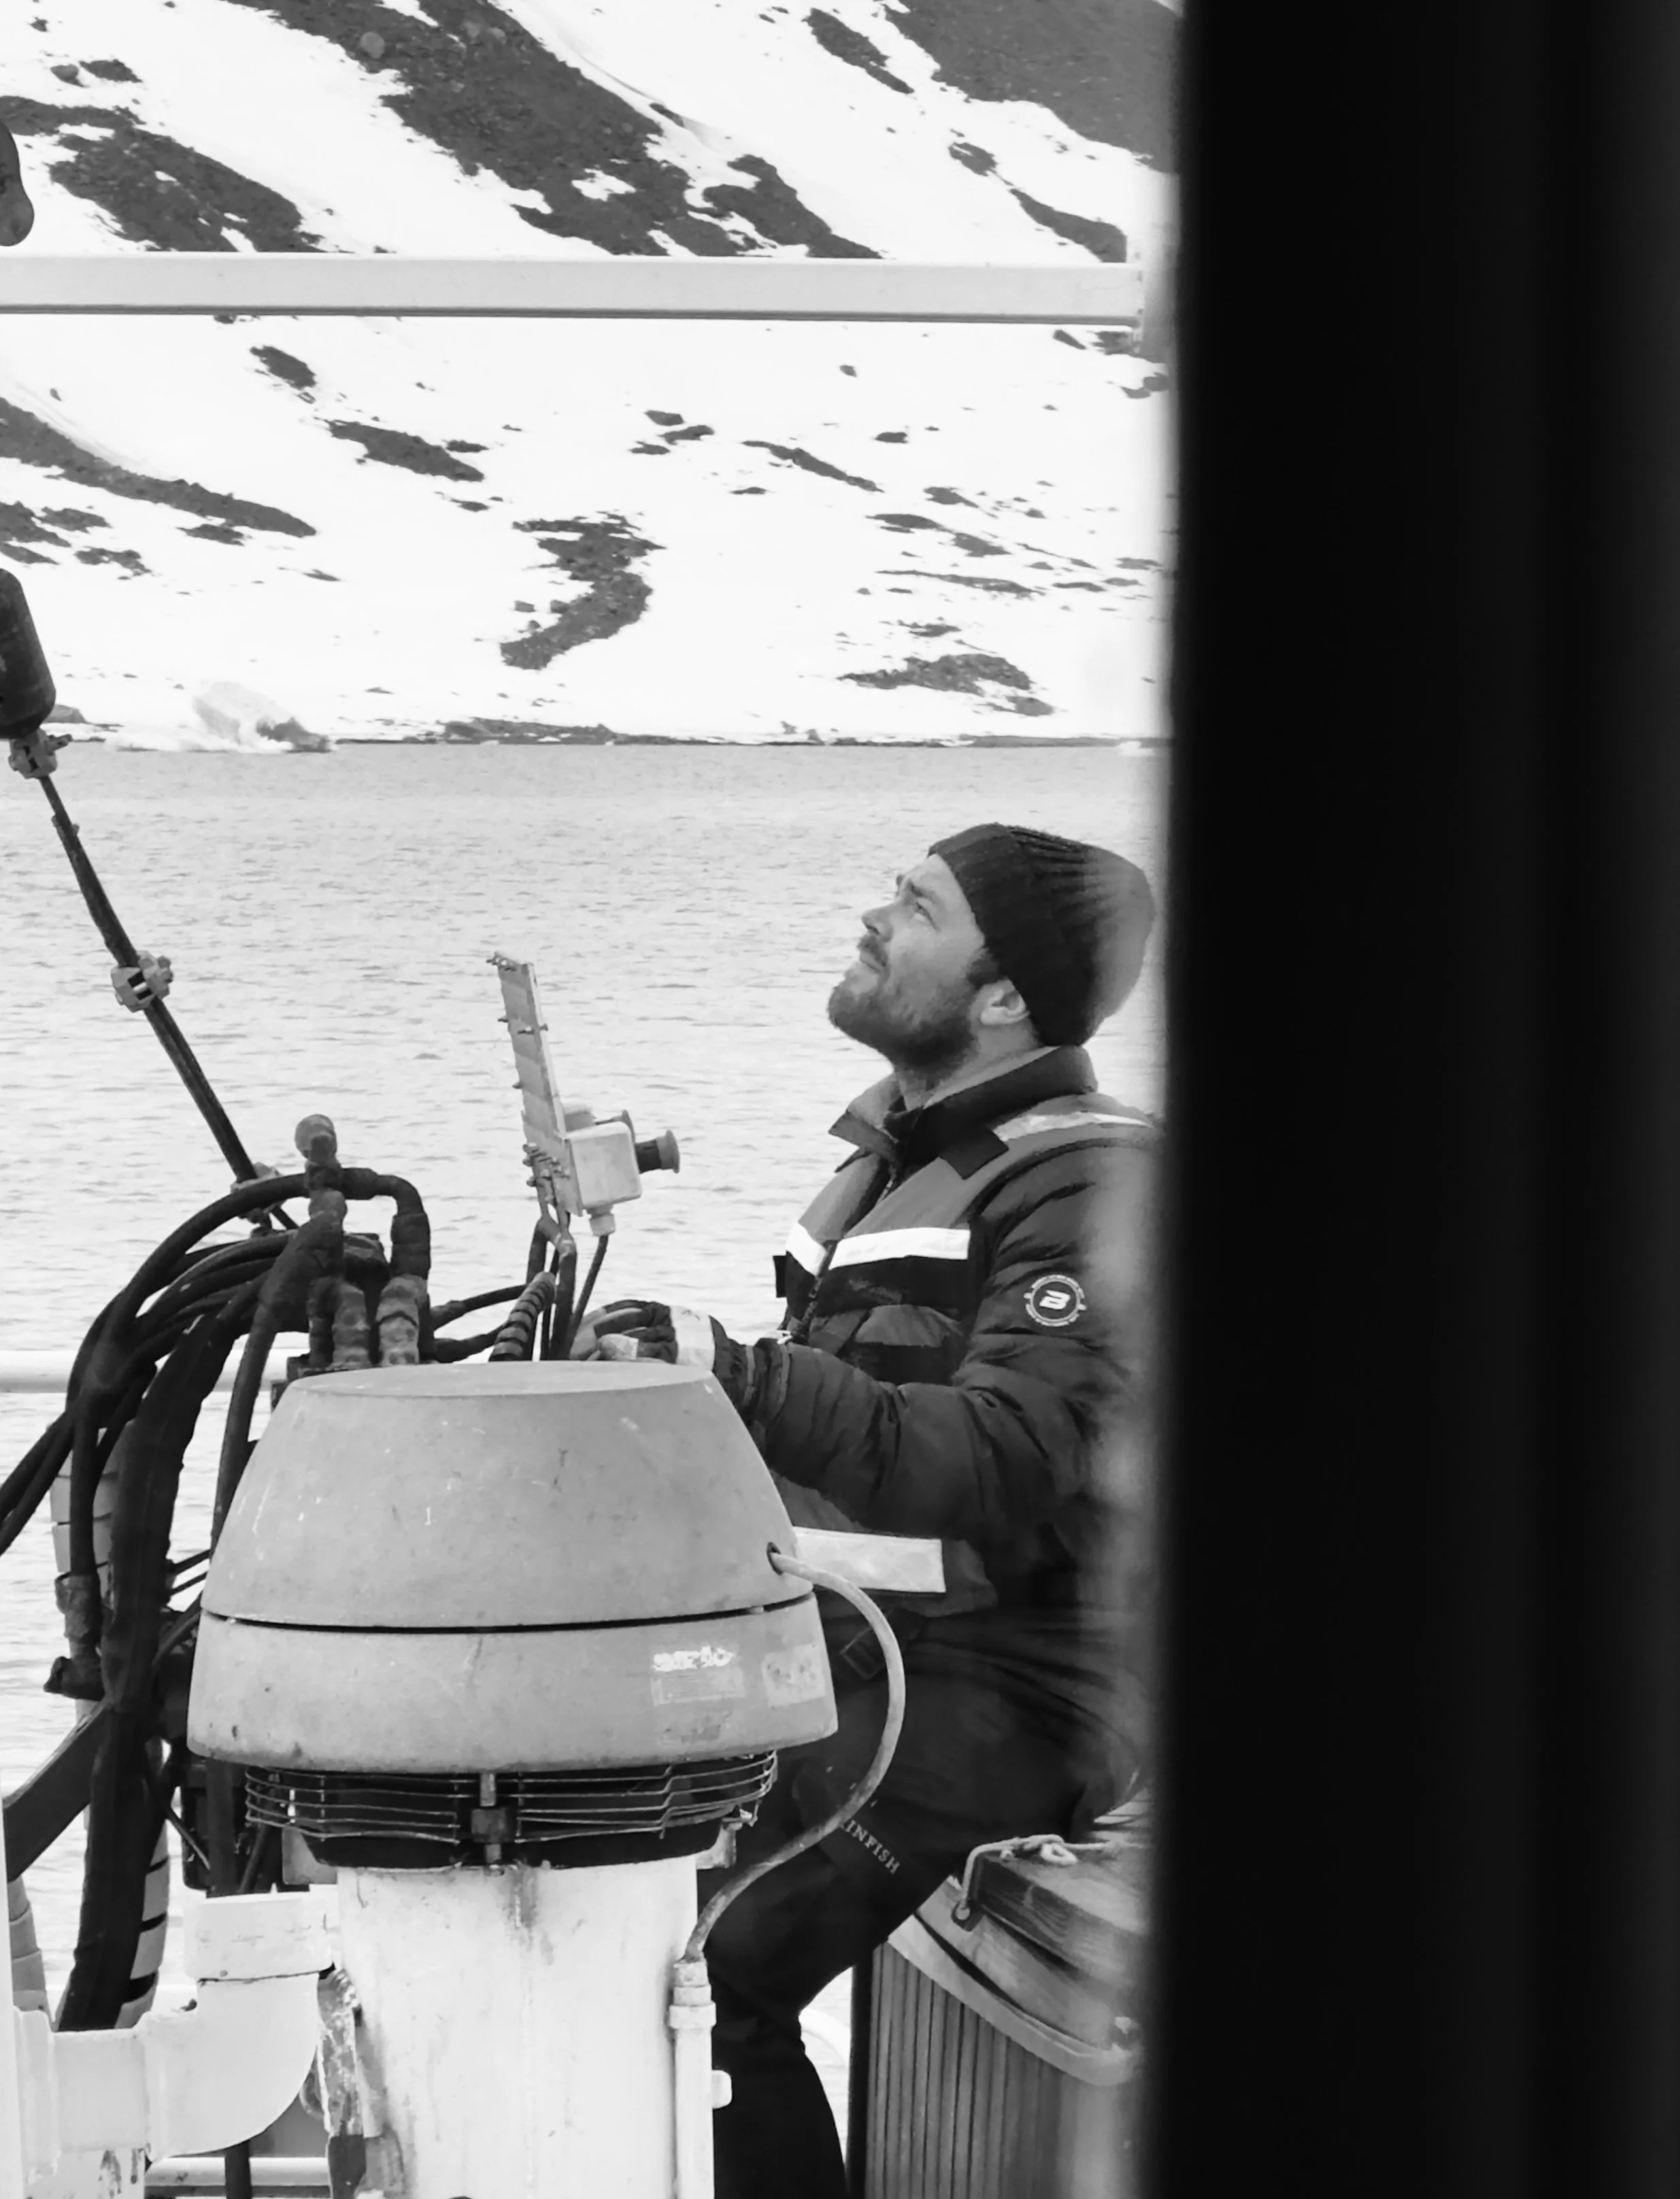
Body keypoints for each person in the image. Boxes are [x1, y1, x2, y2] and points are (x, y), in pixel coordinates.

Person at [575, 822, 1160, 2198]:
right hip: (867, 1659)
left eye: (915, 903)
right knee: (582, 1845)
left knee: (711, 1966)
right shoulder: (894, 1166)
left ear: (1004, 991)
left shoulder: (1087, 1179)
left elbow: (1005, 1452)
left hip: (1025, 1685)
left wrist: (736, 1367)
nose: (872, 916)